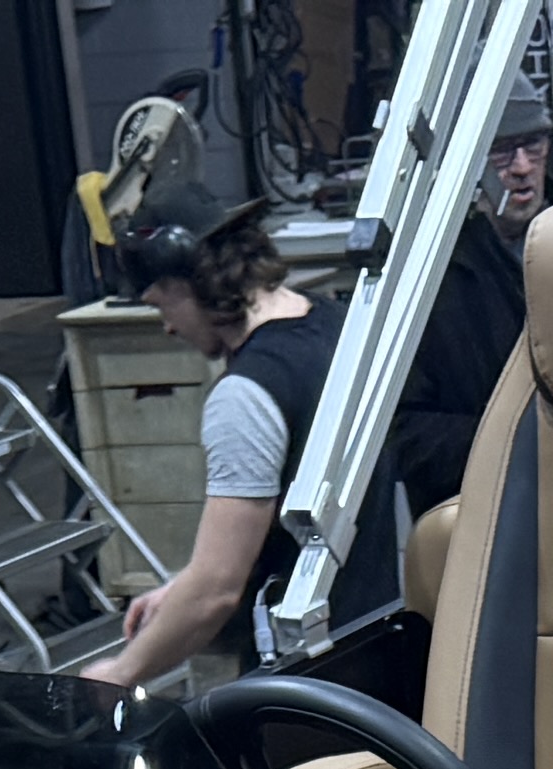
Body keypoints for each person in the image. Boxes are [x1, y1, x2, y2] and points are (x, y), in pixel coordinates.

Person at [82, 195, 522, 690]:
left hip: (301, 679)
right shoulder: (342, 328)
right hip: (376, 651)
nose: (167, 327)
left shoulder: (246, 394)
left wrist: (120, 673)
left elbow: (216, 590)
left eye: (161, 305)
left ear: (189, 284)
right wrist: (179, 590)